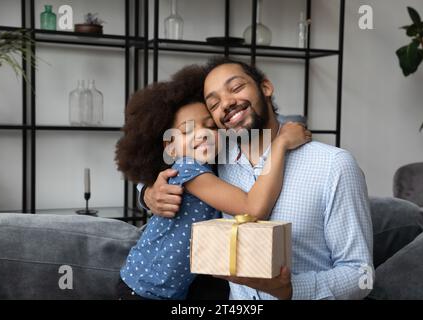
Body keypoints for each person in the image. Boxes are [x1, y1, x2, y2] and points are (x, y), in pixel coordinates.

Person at [141, 57, 374, 300]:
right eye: (214, 103)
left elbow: (361, 274)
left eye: (236, 88)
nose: (227, 103)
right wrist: (147, 193)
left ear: (266, 87)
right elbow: (165, 162)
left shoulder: (333, 165)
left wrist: (292, 289)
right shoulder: (216, 157)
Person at [114, 65, 311, 300]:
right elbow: (252, 208)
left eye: (209, 126)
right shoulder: (188, 169)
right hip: (143, 289)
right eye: (186, 131)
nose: (201, 134)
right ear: (171, 146)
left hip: (177, 291)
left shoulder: (217, 157)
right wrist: (280, 145)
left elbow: (260, 122)